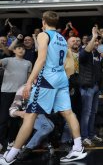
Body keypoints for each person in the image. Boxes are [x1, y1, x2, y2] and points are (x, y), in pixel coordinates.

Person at [0, 11, 87, 165]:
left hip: (48, 79)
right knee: (68, 112)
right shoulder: (61, 37)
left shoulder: (43, 34)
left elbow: (41, 59)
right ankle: (78, 148)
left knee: (30, 115)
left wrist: (29, 82)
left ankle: (9, 156)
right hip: (61, 78)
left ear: (43, 22)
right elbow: (70, 62)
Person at [0, 44, 32, 151]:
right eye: (19, 48)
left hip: (20, 93)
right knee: (3, 118)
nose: (21, 50)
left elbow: (29, 79)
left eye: (23, 48)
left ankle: (11, 141)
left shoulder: (28, 63)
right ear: (14, 50)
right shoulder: (7, 60)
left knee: (15, 119)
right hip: (7, 91)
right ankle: (0, 142)